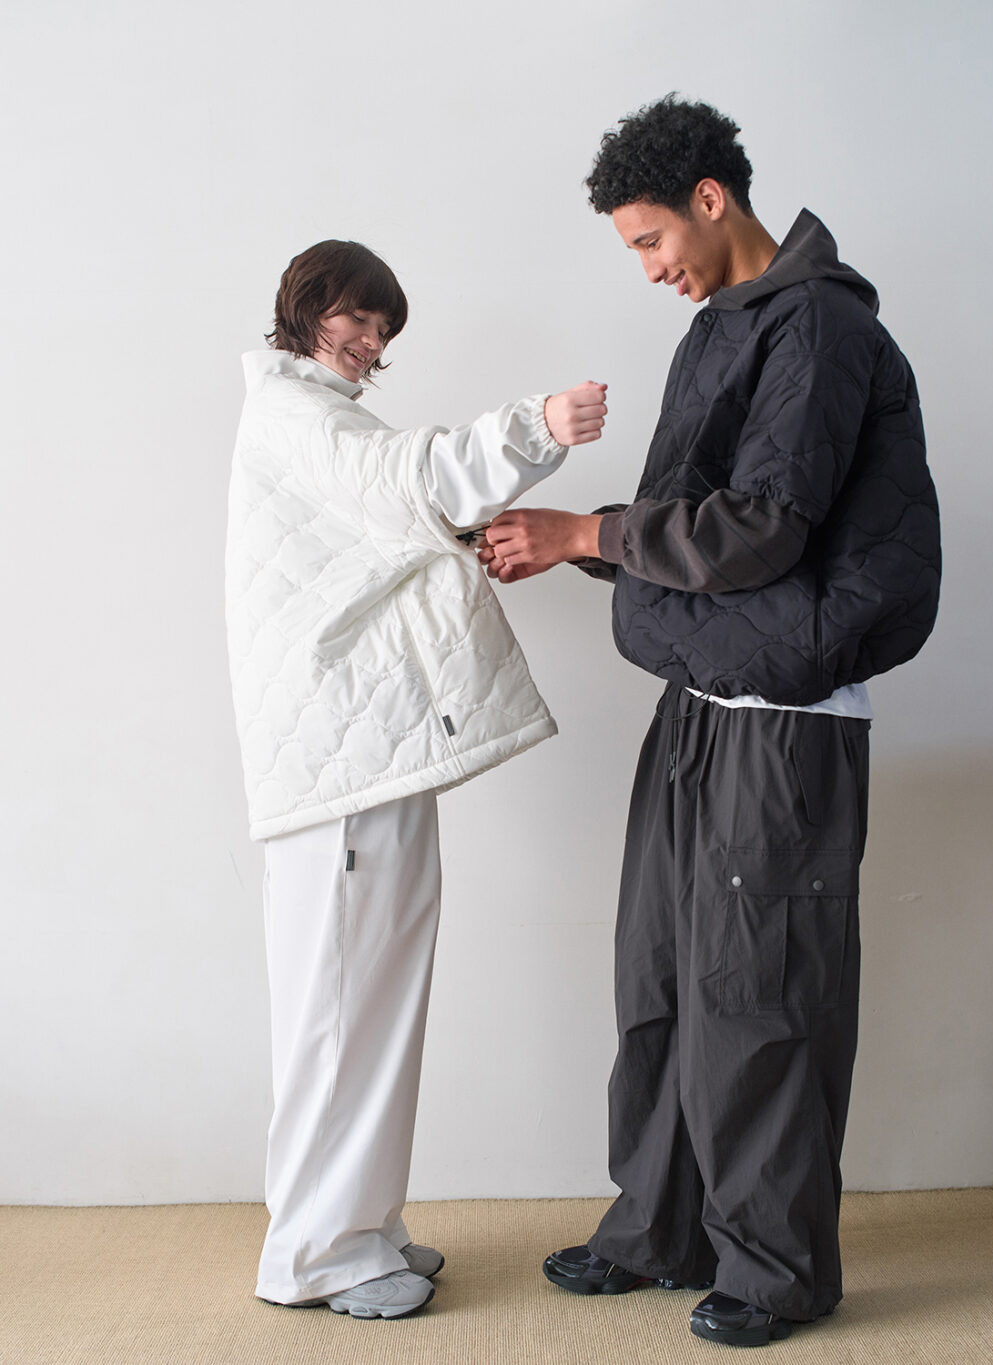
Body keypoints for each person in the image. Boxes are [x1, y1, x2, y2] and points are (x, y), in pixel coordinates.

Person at [479, 97, 940, 1349]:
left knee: (761, 996)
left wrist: (586, 533)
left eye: (649, 240)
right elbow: (686, 526)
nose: (647, 268)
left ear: (710, 198)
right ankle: (659, 1229)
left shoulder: (821, 327)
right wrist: (576, 545)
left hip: (784, 719)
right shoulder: (719, 329)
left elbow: (760, 530)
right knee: (662, 978)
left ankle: (774, 1271)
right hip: (697, 700)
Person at [225, 239, 606, 1321]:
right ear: (306, 306)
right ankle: (318, 1253)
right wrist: (537, 425)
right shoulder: (297, 415)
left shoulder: (319, 417)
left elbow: (401, 513)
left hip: (368, 755)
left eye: (383, 327)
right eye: (356, 316)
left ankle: (361, 1225)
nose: (370, 340)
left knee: (366, 1001)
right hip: (343, 770)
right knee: (342, 1009)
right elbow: (413, 480)